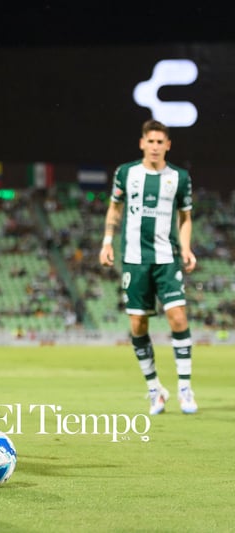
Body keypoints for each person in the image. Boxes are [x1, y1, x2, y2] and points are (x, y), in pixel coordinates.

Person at [99, 119, 198, 416]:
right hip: (134, 258)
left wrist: (186, 248)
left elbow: (185, 217)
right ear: (142, 143)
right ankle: (155, 389)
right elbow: (115, 208)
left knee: (178, 317)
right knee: (137, 325)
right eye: (150, 141)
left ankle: (184, 388)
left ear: (168, 145)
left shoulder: (179, 177)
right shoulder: (126, 173)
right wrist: (106, 242)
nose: (155, 146)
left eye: (160, 142)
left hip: (166, 258)